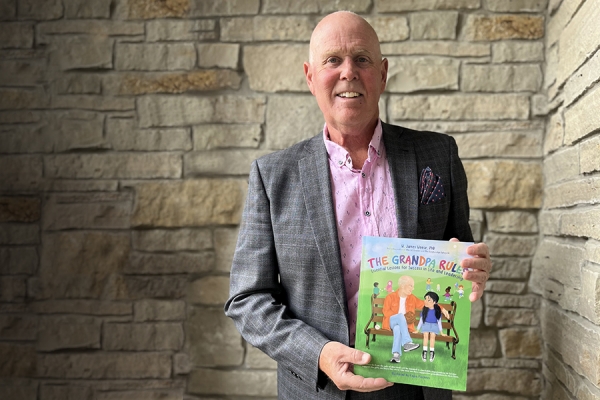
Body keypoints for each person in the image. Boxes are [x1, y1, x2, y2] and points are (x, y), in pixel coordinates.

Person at [224, 11, 492, 400]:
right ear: (310, 76)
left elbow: (459, 251)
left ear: (382, 74)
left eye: (362, 59)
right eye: (333, 60)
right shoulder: (273, 177)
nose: (348, 72)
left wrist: (474, 270)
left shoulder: (439, 154)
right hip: (320, 390)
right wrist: (318, 353)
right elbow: (247, 299)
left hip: (418, 387)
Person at [382, 276, 449, 363]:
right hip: (391, 322)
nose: (413, 288)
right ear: (402, 285)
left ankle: (396, 356)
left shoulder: (412, 298)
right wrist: (402, 317)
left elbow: (426, 304)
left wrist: (442, 308)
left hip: (404, 326)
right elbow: (386, 312)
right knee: (400, 317)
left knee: (398, 328)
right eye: (411, 285)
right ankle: (407, 342)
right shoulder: (390, 297)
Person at [416, 292, 446, 362]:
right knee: (425, 335)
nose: (426, 301)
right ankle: (424, 351)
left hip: (434, 325)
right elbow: (421, 320)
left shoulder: (437, 310)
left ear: (434, 302)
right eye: (425, 299)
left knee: (433, 336)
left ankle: (432, 352)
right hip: (426, 324)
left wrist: (441, 332)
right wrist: (417, 330)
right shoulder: (424, 310)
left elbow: (439, 322)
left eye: (428, 300)